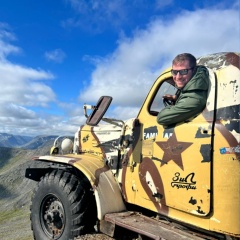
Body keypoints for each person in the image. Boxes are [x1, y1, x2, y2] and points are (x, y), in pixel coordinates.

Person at [157, 53, 209, 127]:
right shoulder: (195, 83)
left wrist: (171, 107)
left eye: (183, 71)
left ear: (194, 70)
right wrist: (175, 98)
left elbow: (161, 118)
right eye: (175, 72)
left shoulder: (195, 99)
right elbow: (187, 91)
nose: (178, 77)